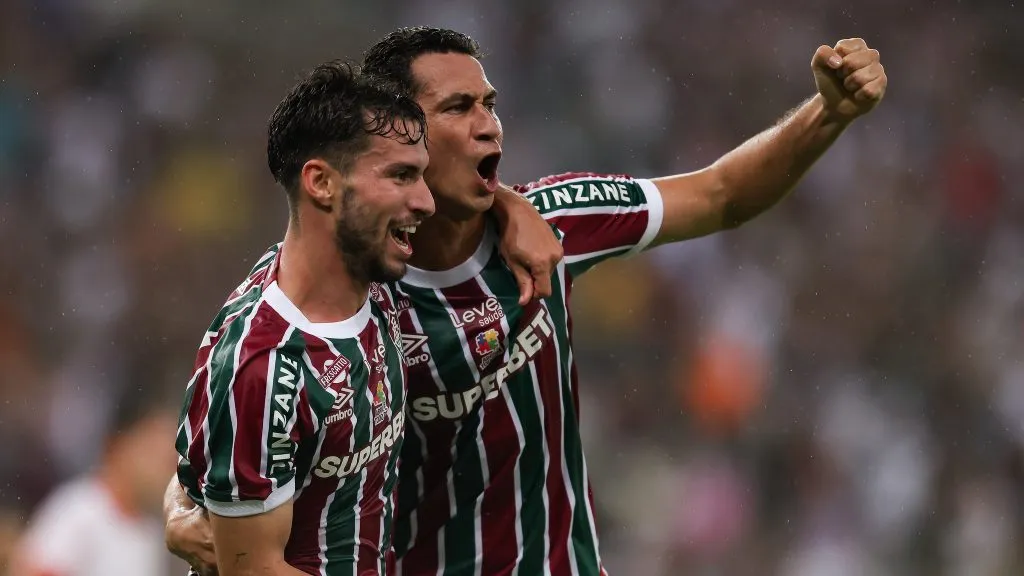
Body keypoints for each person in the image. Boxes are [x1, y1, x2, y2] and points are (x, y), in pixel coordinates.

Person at [167, 27, 887, 576]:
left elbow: (721, 193)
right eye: (459, 107)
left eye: (490, 105)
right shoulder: (355, 292)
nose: (489, 124)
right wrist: (181, 516)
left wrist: (827, 115)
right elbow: (237, 433)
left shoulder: (555, 223)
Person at [173, 61, 434, 576]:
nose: (426, 201)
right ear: (321, 183)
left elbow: (203, 451)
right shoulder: (265, 366)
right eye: (401, 175)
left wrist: (516, 212)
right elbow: (252, 571)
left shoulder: (372, 276)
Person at [10, 390, 178, 576]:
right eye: (153, 452)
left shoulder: (151, 536)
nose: (163, 469)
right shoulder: (79, 510)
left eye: (169, 459)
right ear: (118, 446)